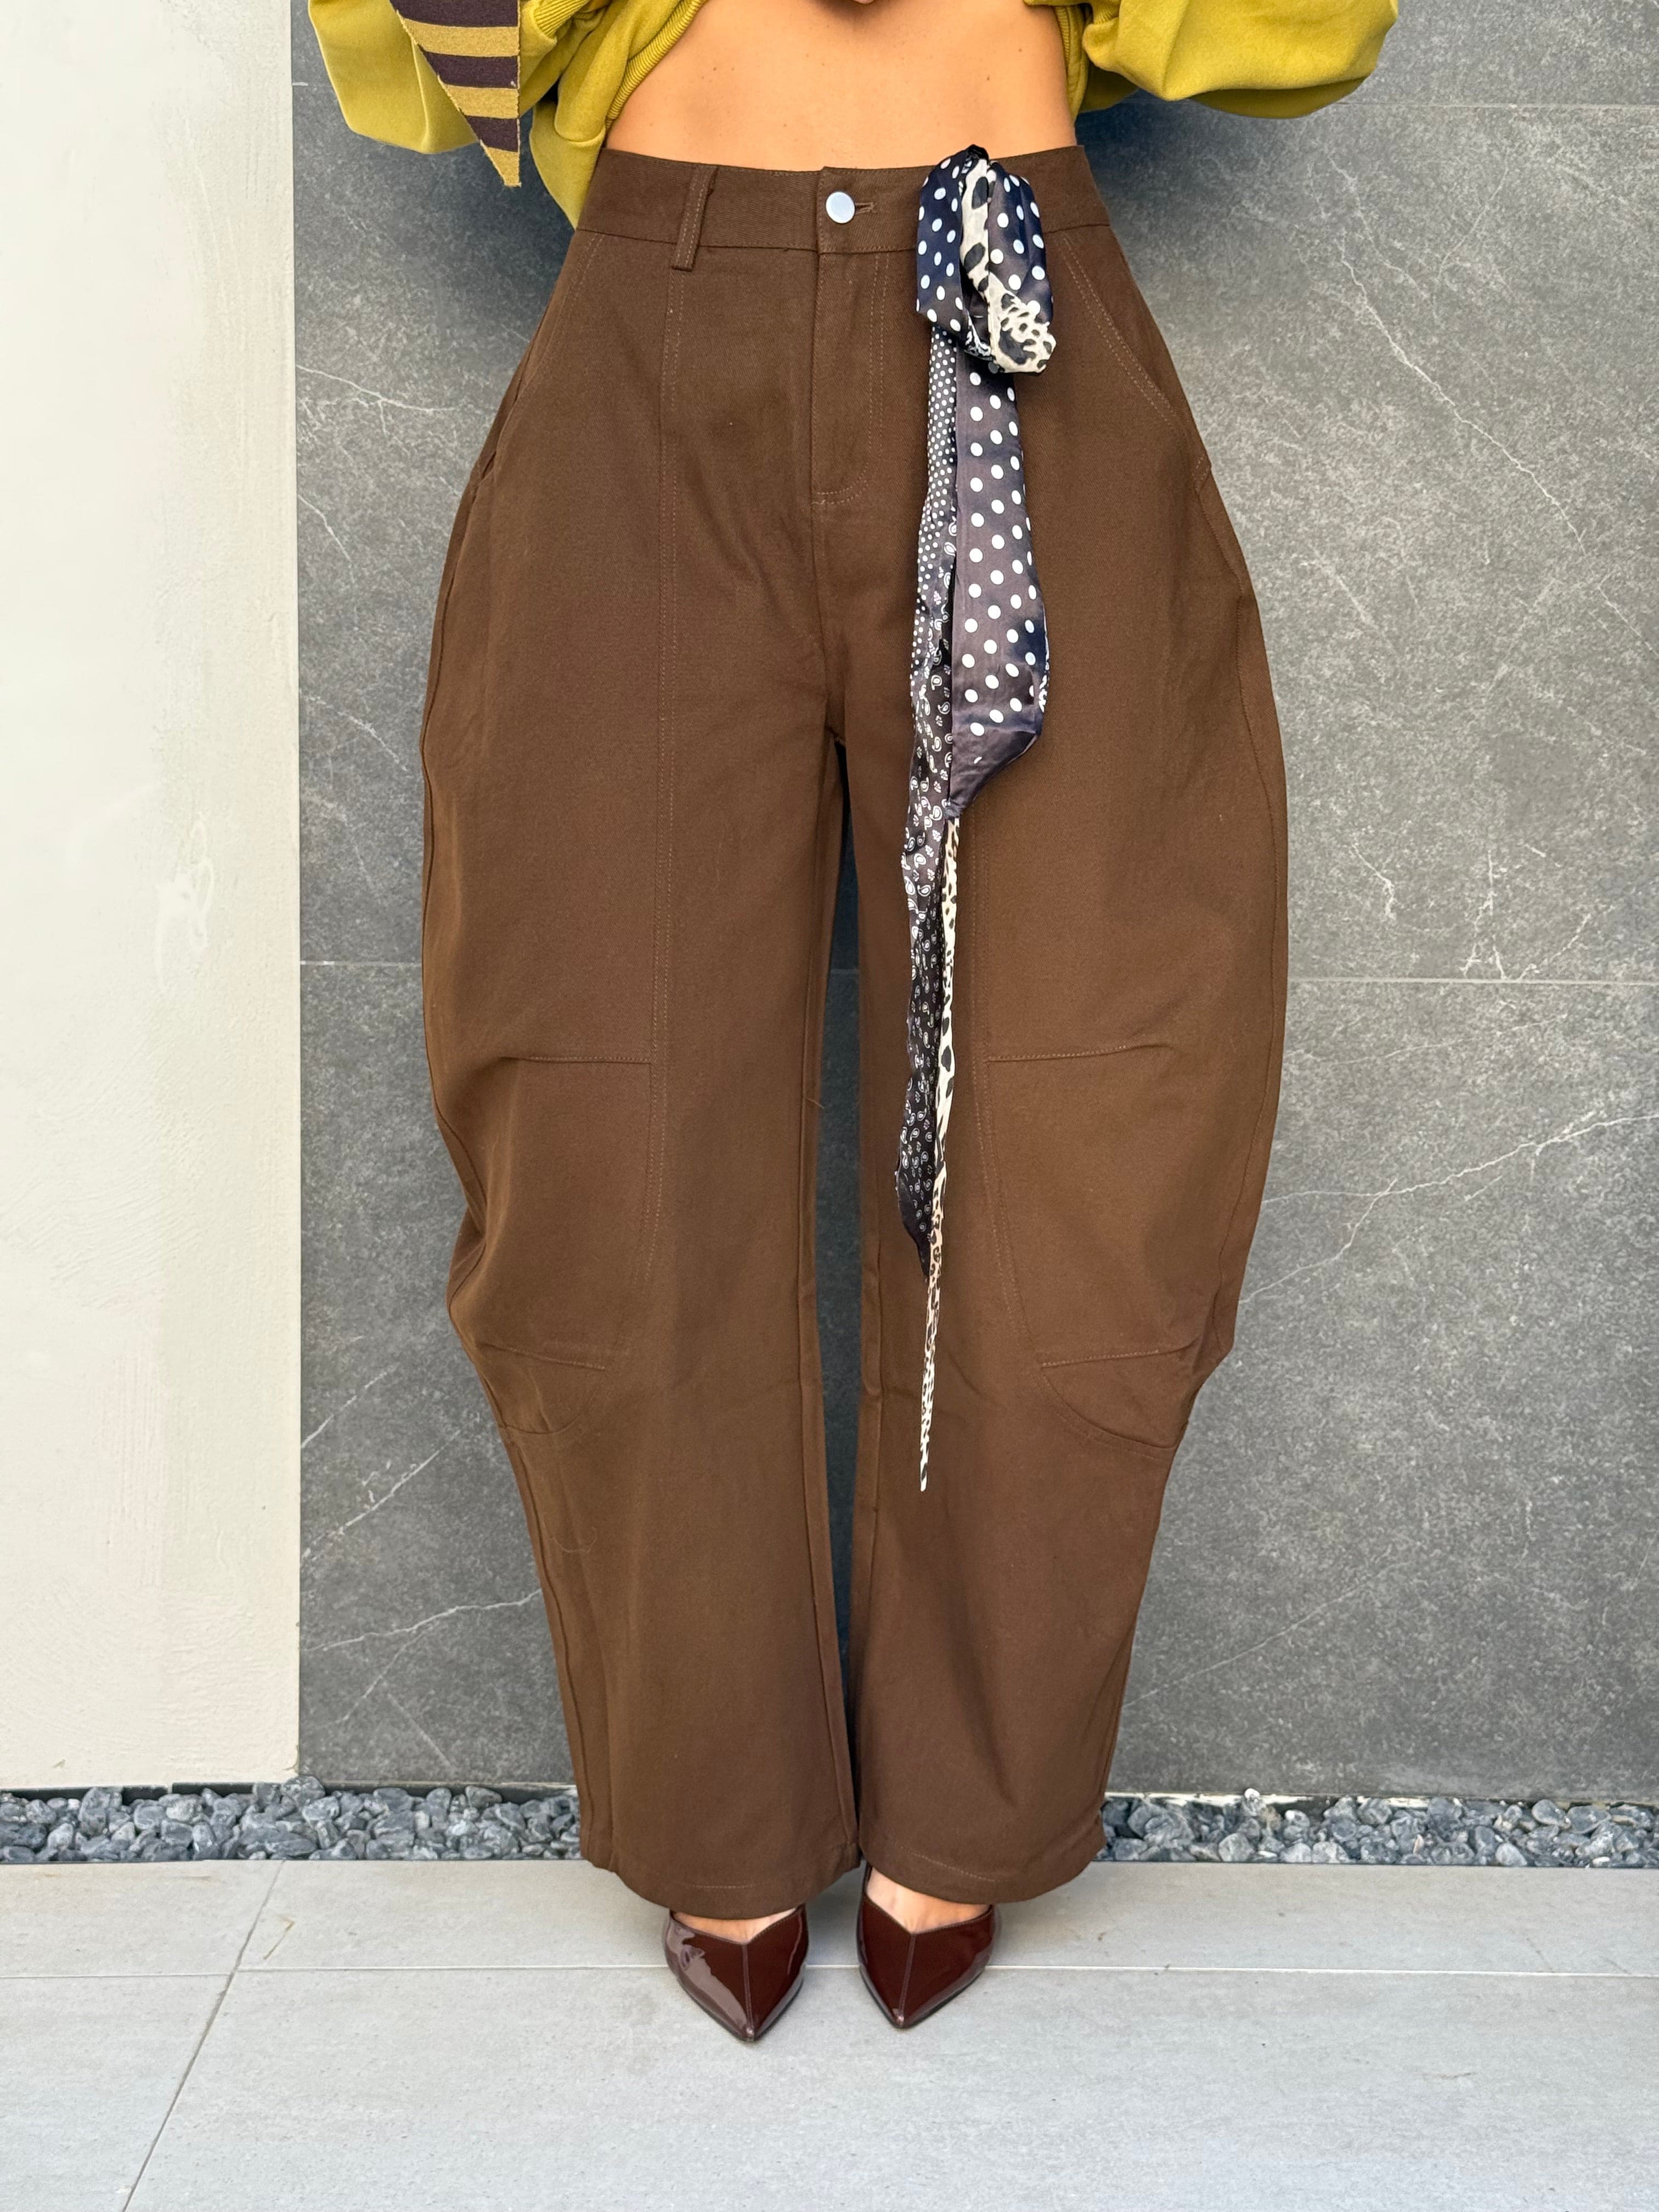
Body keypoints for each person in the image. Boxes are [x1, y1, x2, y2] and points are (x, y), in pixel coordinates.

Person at [309, 0, 1396, 2041]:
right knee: (607, 1118)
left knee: (1087, 1119)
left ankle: (966, 1804)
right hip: (656, 330)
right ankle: (714, 1804)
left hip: (1015, 311)